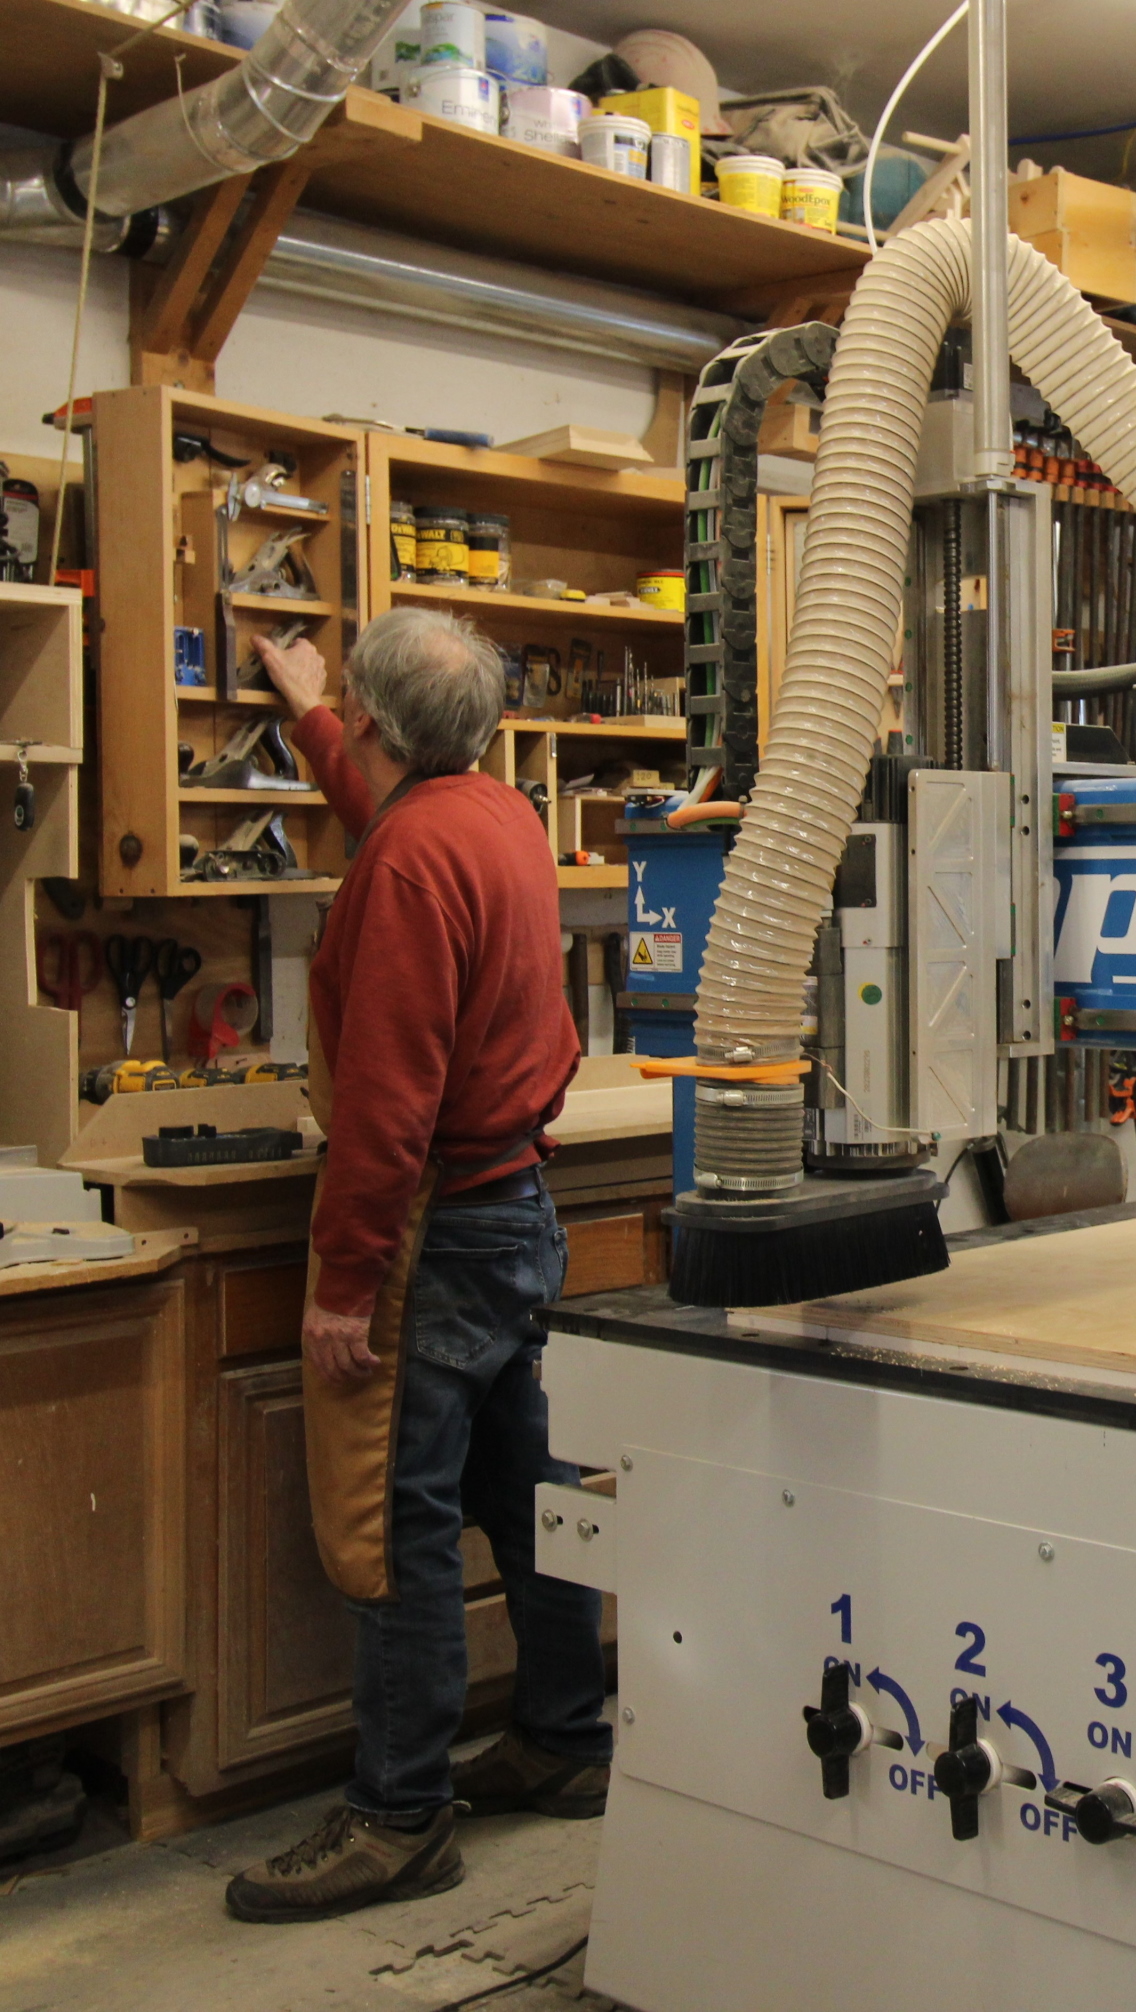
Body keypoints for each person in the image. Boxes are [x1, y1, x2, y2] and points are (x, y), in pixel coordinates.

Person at [224, 610, 610, 1925]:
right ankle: (563, 1738)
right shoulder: (497, 815)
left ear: (378, 724)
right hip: (518, 1214)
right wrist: (304, 711)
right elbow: (389, 811)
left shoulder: (402, 868)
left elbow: (386, 1107)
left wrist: (344, 1284)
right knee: (528, 1497)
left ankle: (398, 1817)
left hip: (434, 1234)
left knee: (396, 1525)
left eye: (347, 711)